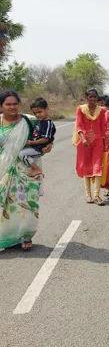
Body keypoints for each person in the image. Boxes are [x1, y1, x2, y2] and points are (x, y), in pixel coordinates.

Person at [0, 91, 49, 251]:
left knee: (27, 202)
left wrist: (48, 146)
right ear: (1, 106)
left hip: (26, 170)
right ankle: (6, 236)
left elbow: (46, 136)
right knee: (5, 204)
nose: (12, 107)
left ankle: (25, 236)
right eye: (8, 104)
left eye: (15, 103)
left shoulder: (30, 120)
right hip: (3, 169)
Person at [73, 88, 107, 206]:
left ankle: (97, 195)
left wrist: (104, 143)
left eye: (94, 97)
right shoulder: (81, 109)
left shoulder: (101, 111)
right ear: (86, 97)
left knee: (98, 167)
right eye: (90, 97)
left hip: (97, 142)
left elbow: (103, 128)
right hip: (84, 142)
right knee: (86, 166)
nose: (93, 99)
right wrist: (82, 138)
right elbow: (79, 125)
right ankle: (88, 194)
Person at [19, 97, 56, 178]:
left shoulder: (46, 123)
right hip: (34, 146)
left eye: (39, 112)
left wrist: (31, 142)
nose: (37, 115)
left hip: (38, 148)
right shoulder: (39, 120)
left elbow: (46, 138)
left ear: (47, 109)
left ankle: (36, 169)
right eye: (35, 113)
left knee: (22, 154)